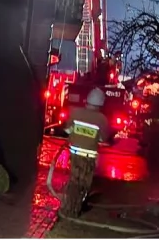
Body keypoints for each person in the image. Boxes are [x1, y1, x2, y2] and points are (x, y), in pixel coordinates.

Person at [60, 87, 109, 219]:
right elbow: (103, 139)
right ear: (101, 103)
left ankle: (68, 208)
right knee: (84, 184)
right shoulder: (102, 119)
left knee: (74, 181)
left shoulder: (75, 113)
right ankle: (77, 210)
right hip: (89, 158)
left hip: (75, 154)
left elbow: (67, 130)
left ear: (87, 100)